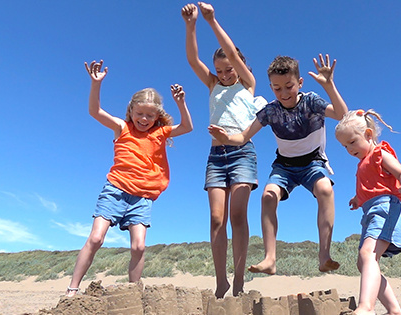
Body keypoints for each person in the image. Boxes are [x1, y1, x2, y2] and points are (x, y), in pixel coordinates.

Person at [209, 54, 347, 275]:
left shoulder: (311, 101)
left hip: (312, 161)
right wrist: (226, 139)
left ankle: (324, 255)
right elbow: (244, 137)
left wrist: (329, 85)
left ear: (299, 83)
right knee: (268, 196)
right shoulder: (271, 110)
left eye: (288, 86)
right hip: (284, 165)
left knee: (325, 189)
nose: (283, 93)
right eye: (276, 88)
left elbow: (342, 115)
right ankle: (270, 259)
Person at [65, 60, 193, 297]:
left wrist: (181, 103)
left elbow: (187, 127)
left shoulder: (159, 133)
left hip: (142, 198)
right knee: (95, 239)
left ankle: (134, 292)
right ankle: (72, 289)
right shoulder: (122, 128)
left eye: (150, 116)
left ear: (157, 117)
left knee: (139, 246)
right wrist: (96, 84)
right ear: (131, 111)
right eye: (140, 114)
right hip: (115, 190)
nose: (144, 119)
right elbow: (95, 112)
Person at [181, 2, 265, 298]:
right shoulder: (214, 85)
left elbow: (229, 51)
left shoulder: (248, 85)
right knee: (217, 219)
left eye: (229, 68)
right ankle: (221, 280)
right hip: (216, 158)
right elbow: (193, 60)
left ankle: (239, 278)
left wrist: (212, 21)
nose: (225, 73)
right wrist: (191, 25)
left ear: (239, 66)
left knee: (238, 216)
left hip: (243, 154)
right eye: (219, 70)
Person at [334, 109, 401, 315]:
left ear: (369, 135)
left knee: (368, 255)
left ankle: (366, 307)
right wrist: (358, 199)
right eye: (345, 146)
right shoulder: (362, 163)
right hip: (370, 212)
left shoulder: (380, 154)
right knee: (363, 262)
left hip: (386, 209)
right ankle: (394, 310)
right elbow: (371, 186)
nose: (348, 149)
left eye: (352, 142)